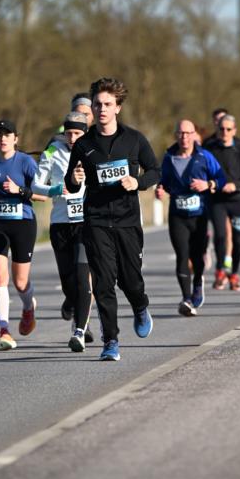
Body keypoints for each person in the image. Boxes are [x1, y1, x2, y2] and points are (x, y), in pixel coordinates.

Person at [65, 77, 160, 362]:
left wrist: (139, 183)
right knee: (104, 283)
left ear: (118, 107)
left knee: (130, 281)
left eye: (108, 104)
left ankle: (141, 306)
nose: (102, 109)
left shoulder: (134, 139)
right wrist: (74, 178)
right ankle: (111, 341)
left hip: (127, 220)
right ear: (92, 108)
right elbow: (70, 184)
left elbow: (156, 171)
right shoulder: (83, 145)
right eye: (97, 104)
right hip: (95, 220)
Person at [35, 111, 94, 351]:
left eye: (77, 133)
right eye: (68, 132)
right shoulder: (52, 152)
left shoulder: (94, 152)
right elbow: (36, 184)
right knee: (68, 282)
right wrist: (56, 190)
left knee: (82, 278)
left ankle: (79, 331)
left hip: (85, 224)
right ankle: (71, 301)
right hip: (60, 224)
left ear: (85, 133)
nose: (72, 137)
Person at [0, 120, 39, 349]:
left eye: (7, 135)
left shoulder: (26, 162)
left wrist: (20, 190)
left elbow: (42, 193)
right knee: (0, 277)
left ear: (16, 139)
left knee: (20, 282)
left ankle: (28, 307)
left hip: (23, 222)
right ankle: (4, 330)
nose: (2, 139)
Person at [157, 119, 226, 315]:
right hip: (177, 215)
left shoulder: (204, 156)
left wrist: (209, 185)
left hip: (199, 215)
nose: (184, 137)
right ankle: (186, 299)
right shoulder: (169, 157)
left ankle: (197, 283)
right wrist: (160, 190)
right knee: (182, 255)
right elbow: (164, 181)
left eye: (188, 133)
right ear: (175, 135)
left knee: (197, 257)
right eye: (180, 133)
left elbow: (221, 178)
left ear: (194, 135)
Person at [205, 114, 240, 291]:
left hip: (238, 200)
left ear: (234, 131)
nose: (224, 132)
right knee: (220, 235)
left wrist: (235, 185)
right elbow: (201, 170)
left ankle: (234, 274)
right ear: (217, 130)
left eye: (228, 129)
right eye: (221, 129)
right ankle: (220, 269)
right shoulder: (209, 148)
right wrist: (209, 184)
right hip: (217, 200)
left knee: (237, 238)